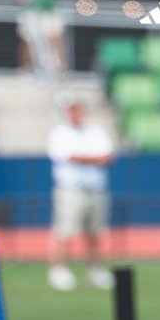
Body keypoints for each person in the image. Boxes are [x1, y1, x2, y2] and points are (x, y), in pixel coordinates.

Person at [46, 100, 114, 292]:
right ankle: (58, 269)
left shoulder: (96, 132)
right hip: (71, 189)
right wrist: (93, 159)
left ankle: (95, 270)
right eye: (73, 112)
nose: (76, 115)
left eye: (79, 111)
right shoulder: (60, 133)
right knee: (64, 232)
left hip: (96, 189)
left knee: (95, 233)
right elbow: (70, 157)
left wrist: (84, 158)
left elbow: (107, 156)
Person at [10, 0, 64, 74]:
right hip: (31, 11)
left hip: (50, 11)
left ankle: (58, 69)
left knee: (54, 37)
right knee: (28, 40)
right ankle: (26, 69)